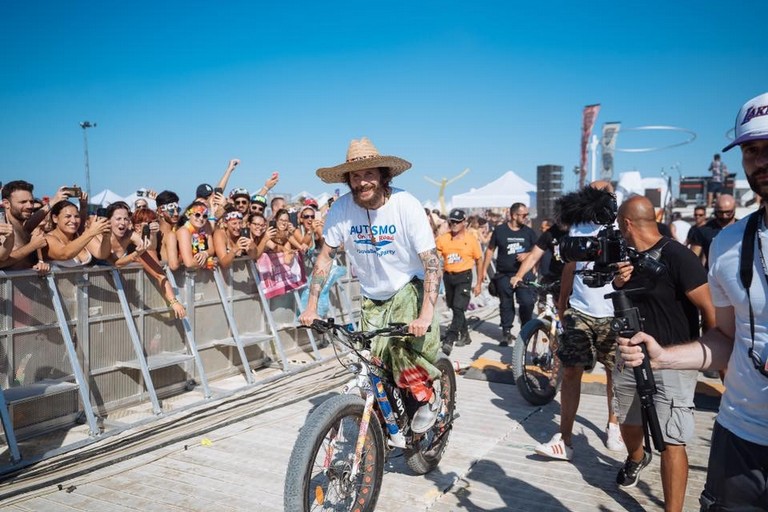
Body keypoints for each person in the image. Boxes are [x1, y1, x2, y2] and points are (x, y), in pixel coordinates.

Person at [620, 92, 768, 511]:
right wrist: (661, 356)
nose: (760, 160)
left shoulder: (684, 252)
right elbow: (724, 336)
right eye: (752, 150)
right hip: (742, 437)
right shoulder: (728, 245)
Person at [299, 137, 443, 434]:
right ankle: (383, 421)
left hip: (408, 286)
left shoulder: (406, 204)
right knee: (373, 361)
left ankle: (429, 398)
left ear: (382, 175)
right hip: (371, 294)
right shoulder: (341, 209)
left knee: (400, 352)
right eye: (355, 175)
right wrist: (311, 307)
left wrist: (426, 314)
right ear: (348, 180)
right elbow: (325, 258)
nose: (362, 181)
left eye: (368, 174)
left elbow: (431, 262)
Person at [611, 196, 715, 511]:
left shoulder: (678, 256)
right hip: (631, 355)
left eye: (619, 226)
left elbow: (709, 308)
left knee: (671, 440)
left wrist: (709, 355)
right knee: (629, 425)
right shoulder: (628, 257)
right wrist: (618, 281)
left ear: (627, 224)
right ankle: (637, 457)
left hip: (673, 359)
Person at [534, 181, 625, 460]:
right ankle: (565, 439)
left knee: (614, 372)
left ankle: (614, 425)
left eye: (602, 193)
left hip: (613, 311)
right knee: (571, 370)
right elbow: (569, 267)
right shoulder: (578, 224)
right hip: (580, 309)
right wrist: (563, 302)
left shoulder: (622, 224)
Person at [476, 202, 537, 346]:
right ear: (514, 215)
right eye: (524, 215)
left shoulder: (528, 232)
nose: (526, 217)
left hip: (524, 275)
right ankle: (506, 332)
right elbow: (490, 249)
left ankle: (525, 329)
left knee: (527, 302)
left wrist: (527, 254)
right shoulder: (500, 230)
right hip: (504, 274)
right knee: (506, 303)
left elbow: (537, 250)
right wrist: (484, 269)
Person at [435, 208, 482, 355]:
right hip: (449, 276)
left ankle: (450, 337)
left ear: (464, 222)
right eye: (452, 222)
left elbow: (479, 260)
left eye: (457, 222)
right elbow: (434, 256)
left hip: (464, 277)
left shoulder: (471, 240)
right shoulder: (444, 238)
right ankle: (465, 335)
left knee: (458, 307)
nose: (454, 224)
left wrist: (479, 282)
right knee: (454, 307)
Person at [44, 200, 112, 266]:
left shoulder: (81, 234)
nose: (73, 220)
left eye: (76, 216)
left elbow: (102, 255)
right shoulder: (47, 238)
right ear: (55, 218)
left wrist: (107, 237)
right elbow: (65, 254)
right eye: (68, 216)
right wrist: (91, 232)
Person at [689, 194, 737, 268]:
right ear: (715, 210)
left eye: (728, 212)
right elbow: (692, 258)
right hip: (712, 275)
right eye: (720, 212)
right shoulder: (704, 230)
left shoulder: (743, 228)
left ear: (734, 209)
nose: (724, 216)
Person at [176, 201, 217, 270]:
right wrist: (207, 263)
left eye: (204, 216)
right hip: (185, 276)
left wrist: (205, 253)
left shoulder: (205, 229)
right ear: (188, 215)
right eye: (197, 215)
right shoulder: (184, 231)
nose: (201, 218)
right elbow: (189, 263)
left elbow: (212, 250)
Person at [155, 190, 181, 271]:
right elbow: (173, 265)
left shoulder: (156, 231)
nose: (176, 214)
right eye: (171, 210)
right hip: (170, 278)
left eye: (178, 209)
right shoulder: (170, 235)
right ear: (160, 212)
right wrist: (184, 255)